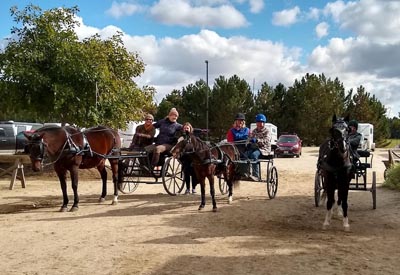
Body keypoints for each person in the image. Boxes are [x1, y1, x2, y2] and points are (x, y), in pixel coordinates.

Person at [146, 108, 183, 172]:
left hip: (168, 145)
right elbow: (152, 126)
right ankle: (146, 167)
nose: (175, 117)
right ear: (169, 115)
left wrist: (201, 130)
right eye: (173, 115)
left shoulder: (177, 126)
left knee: (158, 149)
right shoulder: (162, 122)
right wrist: (146, 132)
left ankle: (152, 167)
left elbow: (187, 128)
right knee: (144, 151)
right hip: (158, 143)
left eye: (176, 116)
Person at [246, 114, 272, 180]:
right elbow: (249, 138)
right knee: (245, 155)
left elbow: (266, 140)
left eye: (261, 122)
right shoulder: (254, 131)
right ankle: (246, 173)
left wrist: (257, 140)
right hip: (255, 148)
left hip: (263, 149)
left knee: (254, 155)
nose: (260, 124)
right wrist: (248, 143)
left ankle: (256, 175)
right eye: (258, 122)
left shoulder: (267, 131)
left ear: (264, 123)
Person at [179, 122, 198, 194]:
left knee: (194, 173)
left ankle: (193, 188)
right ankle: (187, 189)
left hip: (193, 157)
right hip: (185, 157)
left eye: (187, 128)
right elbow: (179, 147)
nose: (186, 129)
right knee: (186, 173)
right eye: (185, 128)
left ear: (190, 129)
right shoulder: (181, 138)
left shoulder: (193, 138)